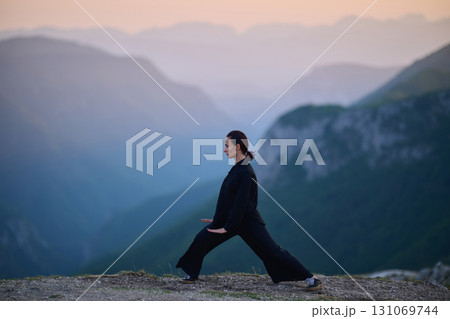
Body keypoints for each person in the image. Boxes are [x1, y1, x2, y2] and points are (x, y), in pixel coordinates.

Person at [176, 130, 322, 290]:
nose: (224, 150)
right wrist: (218, 219)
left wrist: (227, 227)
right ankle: (192, 275)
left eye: (226, 146)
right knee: (201, 239)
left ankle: (311, 278)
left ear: (237, 146)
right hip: (232, 219)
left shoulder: (245, 171)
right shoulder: (239, 167)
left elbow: (242, 203)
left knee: (273, 252)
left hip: (247, 221)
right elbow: (228, 198)